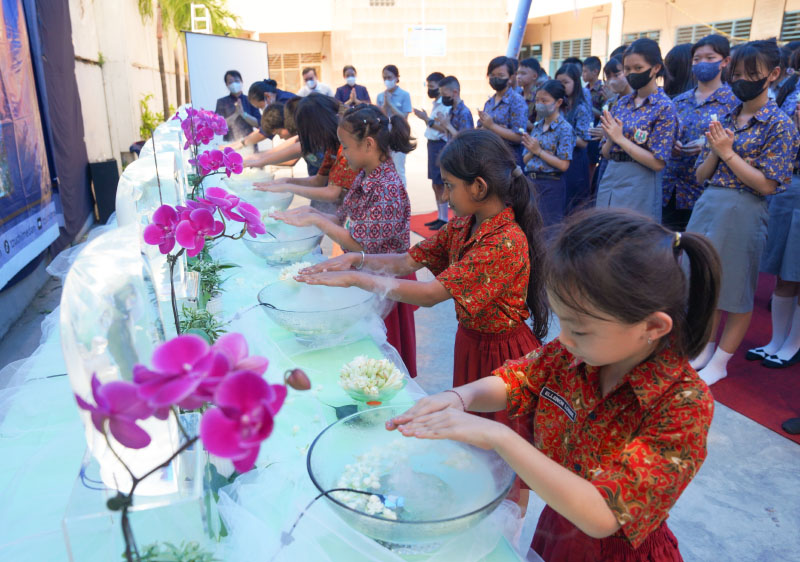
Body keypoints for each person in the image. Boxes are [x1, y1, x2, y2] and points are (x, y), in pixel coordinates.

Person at [387, 208, 720, 562]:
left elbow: (604, 514)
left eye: (579, 329)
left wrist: (498, 436)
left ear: (652, 327)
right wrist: (460, 396)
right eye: (563, 322)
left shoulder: (683, 405)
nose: (564, 339)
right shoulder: (576, 353)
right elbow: (519, 380)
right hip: (560, 525)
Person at [296, 129, 549, 443]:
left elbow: (430, 295)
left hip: (501, 353)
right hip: (471, 342)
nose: (443, 197)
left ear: (479, 187)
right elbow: (408, 260)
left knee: (501, 445)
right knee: (471, 439)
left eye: (450, 186)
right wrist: (356, 260)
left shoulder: (503, 242)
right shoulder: (464, 224)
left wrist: (356, 278)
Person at [272, 104, 417, 376]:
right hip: (365, 275)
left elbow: (358, 245)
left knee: (379, 364)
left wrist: (317, 221)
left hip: (384, 282)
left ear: (369, 144)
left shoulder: (386, 187)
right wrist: (312, 213)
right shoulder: (365, 174)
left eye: (346, 147)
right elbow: (343, 218)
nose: (343, 153)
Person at [688, 39, 800, 385]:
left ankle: (721, 361)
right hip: (709, 203)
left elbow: (767, 184)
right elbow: (700, 175)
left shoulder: (779, 124)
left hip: (745, 209)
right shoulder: (725, 116)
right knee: (706, 285)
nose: (742, 80)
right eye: (736, 74)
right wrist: (715, 150)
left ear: (774, 74)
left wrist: (727, 152)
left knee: (735, 291)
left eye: (752, 74)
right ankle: (704, 349)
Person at [746, 75, 800, 369]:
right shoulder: (792, 86)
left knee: (797, 270)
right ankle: (776, 340)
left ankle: (793, 344)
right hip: (788, 188)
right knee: (783, 270)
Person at [662, 35, 738, 232]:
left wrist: (708, 144)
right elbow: (665, 133)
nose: (703, 63)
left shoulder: (735, 102)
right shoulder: (679, 101)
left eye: (710, 58)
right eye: (697, 59)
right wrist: (672, 144)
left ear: (725, 61)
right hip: (670, 188)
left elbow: (740, 140)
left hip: (704, 190)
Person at [597, 38, 678, 222]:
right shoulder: (622, 103)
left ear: (656, 68)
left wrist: (620, 139)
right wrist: (610, 138)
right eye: (627, 69)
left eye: (638, 68)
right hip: (612, 173)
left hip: (640, 179)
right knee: (604, 230)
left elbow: (658, 163)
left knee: (632, 232)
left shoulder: (664, 107)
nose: (631, 73)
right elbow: (605, 152)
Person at [253, 94, 358, 215]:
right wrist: (286, 181)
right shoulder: (332, 145)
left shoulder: (347, 143)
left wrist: (288, 187)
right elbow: (318, 181)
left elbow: (332, 193)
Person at [521, 80, 575, 227]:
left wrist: (539, 151)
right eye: (537, 100)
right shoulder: (537, 126)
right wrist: (534, 150)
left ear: (558, 102)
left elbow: (563, 165)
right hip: (531, 181)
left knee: (548, 228)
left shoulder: (564, 128)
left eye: (544, 101)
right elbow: (525, 159)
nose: (539, 104)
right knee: (530, 226)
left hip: (551, 183)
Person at [589, 57, 634, 193]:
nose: (612, 80)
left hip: (628, 164)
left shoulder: (638, 102)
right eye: (608, 76)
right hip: (606, 159)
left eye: (617, 74)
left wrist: (609, 133)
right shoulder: (611, 102)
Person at [413, 72, 451, 230]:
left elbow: (444, 128)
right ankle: (440, 216)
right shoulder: (436, 103)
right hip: (432, 144)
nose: (430, 89)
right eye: (428, 86)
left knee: (440, 183)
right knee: (435, 184)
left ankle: (445, 218)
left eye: (432, 86)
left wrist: (426, 119)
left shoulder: (445, 104)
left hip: (440, 144)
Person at [556, 63, 593, 214]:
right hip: (557, 159)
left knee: (574, 206)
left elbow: (583, 142)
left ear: (575, 83)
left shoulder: (580, 108)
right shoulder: (557, 106)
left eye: (566, 82)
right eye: (559, 82)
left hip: (575, 161)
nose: (562, 86)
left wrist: (562, 134)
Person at [478, 56, 528, 166]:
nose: (495, 78)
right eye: (492, 75)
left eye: (501, 75)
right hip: (489, 157)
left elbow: (519, 137)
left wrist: (492, 126)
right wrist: (486, 127)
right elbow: (480, 129)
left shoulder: (517, 101)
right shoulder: (489, 102)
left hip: (509, 160)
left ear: (510, 78)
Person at [229, 80, 299, 151]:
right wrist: (239, 143)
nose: (263, 110)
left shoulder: (284, 103)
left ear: (267, 96)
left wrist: (242, 144)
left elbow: (263, 133)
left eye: (261, 107)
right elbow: (262, 129)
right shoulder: (279, 98)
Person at [376, 64, 413, 186]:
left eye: (389, 77)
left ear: (397, 78)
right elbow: (379, 117)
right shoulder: (380, 96)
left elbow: (404, 117)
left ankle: (401, 194)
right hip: (384, 135)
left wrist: (390, 104)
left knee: (398, 169)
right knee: (383, 168)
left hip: (399, 135)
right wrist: (384, 106)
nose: (387, 80)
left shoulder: (404, 95)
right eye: (384, 78)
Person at [214, 70, 261, 143]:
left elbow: (258, 123)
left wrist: (243, 114)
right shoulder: (221, 102)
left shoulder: (250, 100)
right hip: (230, 143)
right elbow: (218, 126)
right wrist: (236, 114)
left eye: (236, 81)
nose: (234, 84)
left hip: (249, 142)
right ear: (226, 85)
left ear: (241, 82)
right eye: (230, 82)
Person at [583, 56, 606, 178]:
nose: (583, 74)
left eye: (585, 71)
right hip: (584, 129)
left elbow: (604, 112)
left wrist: (587, 108)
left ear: (595, 72)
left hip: (596, 131)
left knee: (591, 163)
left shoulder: (602, 90)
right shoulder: (583, 90)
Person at [518, 57, 545, 127]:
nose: (518, 76)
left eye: (523, 74)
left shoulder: (540, 97)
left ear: (534, 76)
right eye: (518, 73)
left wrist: (525, 124)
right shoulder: (518, 95)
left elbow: (541, 127)